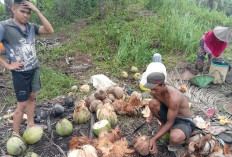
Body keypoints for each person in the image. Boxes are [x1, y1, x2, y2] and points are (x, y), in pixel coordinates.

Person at [0, 0, 54, 135]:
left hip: (33, 69)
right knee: (22, 103)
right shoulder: (4, 26)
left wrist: (37, 11)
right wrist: (8, 65)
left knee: (31, 97)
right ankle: (15, 133)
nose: (26, 15)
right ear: (13, 9)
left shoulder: (31, 27)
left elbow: (49, 30)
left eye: (28, 13)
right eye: (22, 11)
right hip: (20, 73)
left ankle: (30, 124)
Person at [144, 72, 195, 154]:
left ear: (163, 85)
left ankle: (182, 138)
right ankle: (164, 125)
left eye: (154, 89)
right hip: (169, 113)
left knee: (174, 138)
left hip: (182, 120)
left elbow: (170, 122)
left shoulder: (174, 98)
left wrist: (154, 139)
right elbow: (155, 101)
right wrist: (150, 116)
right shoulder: (156, 92)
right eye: (151, 89)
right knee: (152, 103)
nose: (152, 92)